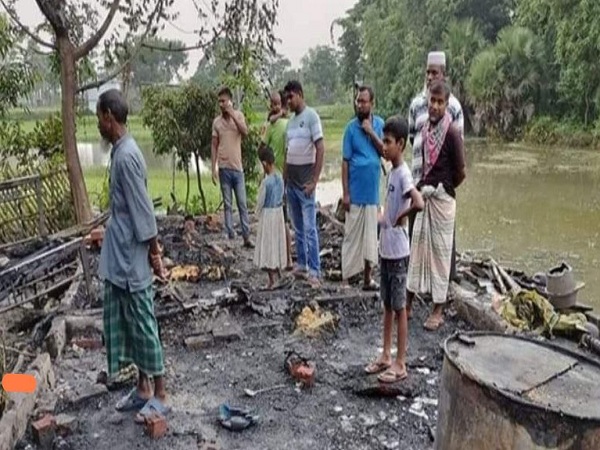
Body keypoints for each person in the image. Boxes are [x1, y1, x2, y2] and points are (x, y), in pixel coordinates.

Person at [96, 89, 170, 422]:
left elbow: (143, 213)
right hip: (121, 255)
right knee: (129, 322)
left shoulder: (126, 157)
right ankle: (142, 388)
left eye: (99, 118)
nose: (99, 124)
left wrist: (155, 254)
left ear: (109, 117)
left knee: (142, 321)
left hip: (132, 257)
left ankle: (161, 393)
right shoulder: (121, 151)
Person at [364, 116, 423, 383]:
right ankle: (386, 354)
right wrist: (384, 218)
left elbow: (419, 202)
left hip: (398, 252)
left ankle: (401, 362)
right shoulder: (392, 172)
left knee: (399, 308)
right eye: (383, 141)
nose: (384, 147)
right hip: (386, 249)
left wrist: (402, 215)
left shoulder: (404, 174)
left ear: (401, 144)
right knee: (387, 305)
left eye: (388, 142)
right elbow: (389, 211)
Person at [407, 50, 464, 318]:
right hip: (420, 186)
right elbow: (412, 140)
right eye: (433, 101)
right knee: (416, 248)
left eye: (440, 102)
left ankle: (439, 306)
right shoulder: (419, 113)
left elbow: (460, 169)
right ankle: (409, 301)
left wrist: (445, 187)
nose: (436, 106)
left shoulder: (453, 125)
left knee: (442, 252)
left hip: (441, 195)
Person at [341, 85, 384, 290]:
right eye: (358, 101)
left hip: (372, 194)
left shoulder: (380, 125)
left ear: (372, 104)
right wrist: (345, 193)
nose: (360, 105)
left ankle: (367, 279)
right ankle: (347, 279)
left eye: (364, 101)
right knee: (351, 237)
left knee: (370, 240)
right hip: (355, 193)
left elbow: (385, 152)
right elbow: (345, 162)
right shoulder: (350, 129)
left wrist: (371, 132)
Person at [283, 80, 325, 288]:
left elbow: (320, 148)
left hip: (305, 184)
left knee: (309, 229)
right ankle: (302, 264)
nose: (288, 101)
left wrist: (314, 181)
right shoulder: (290, 123)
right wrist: (284, 181)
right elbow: (287, 153)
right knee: (298, 228)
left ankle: (315, 271)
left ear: (300, 94)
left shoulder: (311, 117)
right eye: (287, 98)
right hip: (292, 183)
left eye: (291, 97)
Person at [211, 87, 254, 248]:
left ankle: (246, 236)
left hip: (238, 169)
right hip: (224, 168)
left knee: (242, 204)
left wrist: (233, 114)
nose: (221, 104)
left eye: (223, 101)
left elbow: (245, 132)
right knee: (227, 204)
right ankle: (230, 236)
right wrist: (213, 167)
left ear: (230, 101)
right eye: (219, 102)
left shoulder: (239, 116)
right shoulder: (216, 122)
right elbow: (214, 145)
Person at [262, 90, 293, 269]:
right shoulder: (287, 124)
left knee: (274, 219)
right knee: (284, 219)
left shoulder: (272, 126)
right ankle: (286, 259)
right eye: (272, 104)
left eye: (276, 104)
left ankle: (278, 259)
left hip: (276, 176)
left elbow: (262, 148)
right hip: (282, 176)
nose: (274, 106)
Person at [253, 145, 287, 289]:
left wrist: (256, 213)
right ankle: (279, 273)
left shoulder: (266, 182)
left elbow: (261, 201)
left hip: (268, 215)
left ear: (264, 163)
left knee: (267, 246)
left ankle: (271, 280)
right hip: (278, 214)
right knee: (277, 243)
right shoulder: (280, 178)